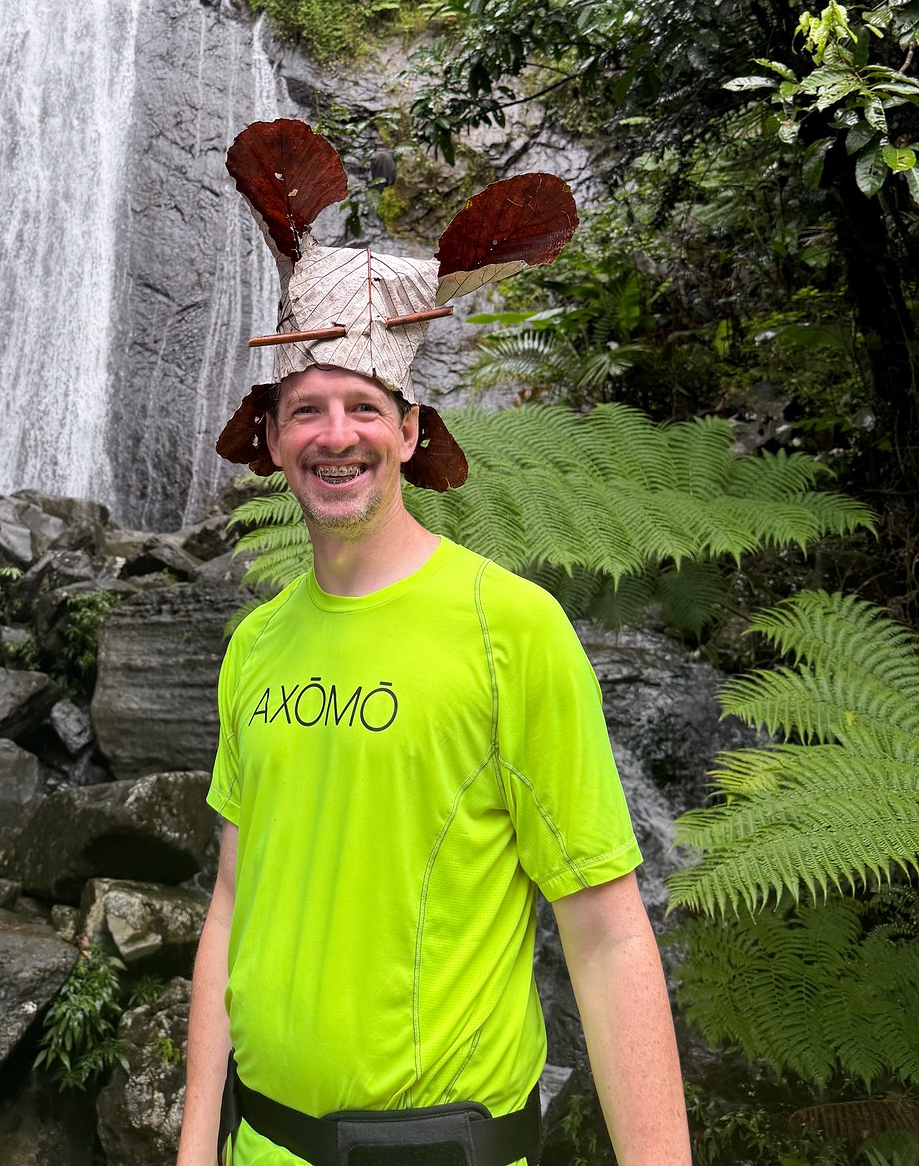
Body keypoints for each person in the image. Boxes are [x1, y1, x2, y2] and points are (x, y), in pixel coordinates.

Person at [177, 119, 692, 1166]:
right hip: (258, 1146)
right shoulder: (256, 648)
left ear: (411, 433)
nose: (334, 434)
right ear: (269, 439)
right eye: (304, 409)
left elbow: (602, 933)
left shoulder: (510, 628)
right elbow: (231, 905)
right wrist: (196, 1148)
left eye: (363, 407)